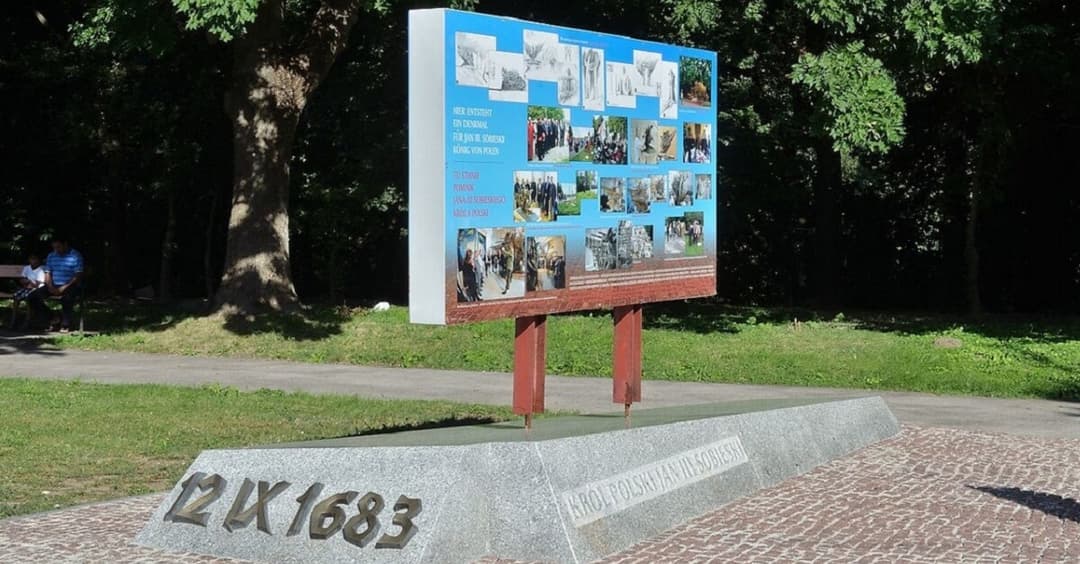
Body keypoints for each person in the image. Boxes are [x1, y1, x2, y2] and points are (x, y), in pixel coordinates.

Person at [37, 236, 85, 332]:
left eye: (58, 247)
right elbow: (47, 272)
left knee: (67, 297)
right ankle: (53, 318)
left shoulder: (76, 255)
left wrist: (63, 287)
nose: (56, 250)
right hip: (54, 284)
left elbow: (78, 275)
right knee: (33, 297)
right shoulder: (51, 255)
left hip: (70, 284)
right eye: (54, 247)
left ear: (65, 244)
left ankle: (66, 323)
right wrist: (50, 286)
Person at [11, 252, 47, 329]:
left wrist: (29, 282)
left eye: (35, 259)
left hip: (36, 289)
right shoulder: (27, 268)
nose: (33, 261)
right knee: (15, 296)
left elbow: (37, 284)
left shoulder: (41, 270)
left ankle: (27, 321)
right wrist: (25, 282)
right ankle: (14, 320)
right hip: (26, 287)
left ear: (39, 260)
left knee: (29, 298)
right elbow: (22, 279)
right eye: (31, 259)